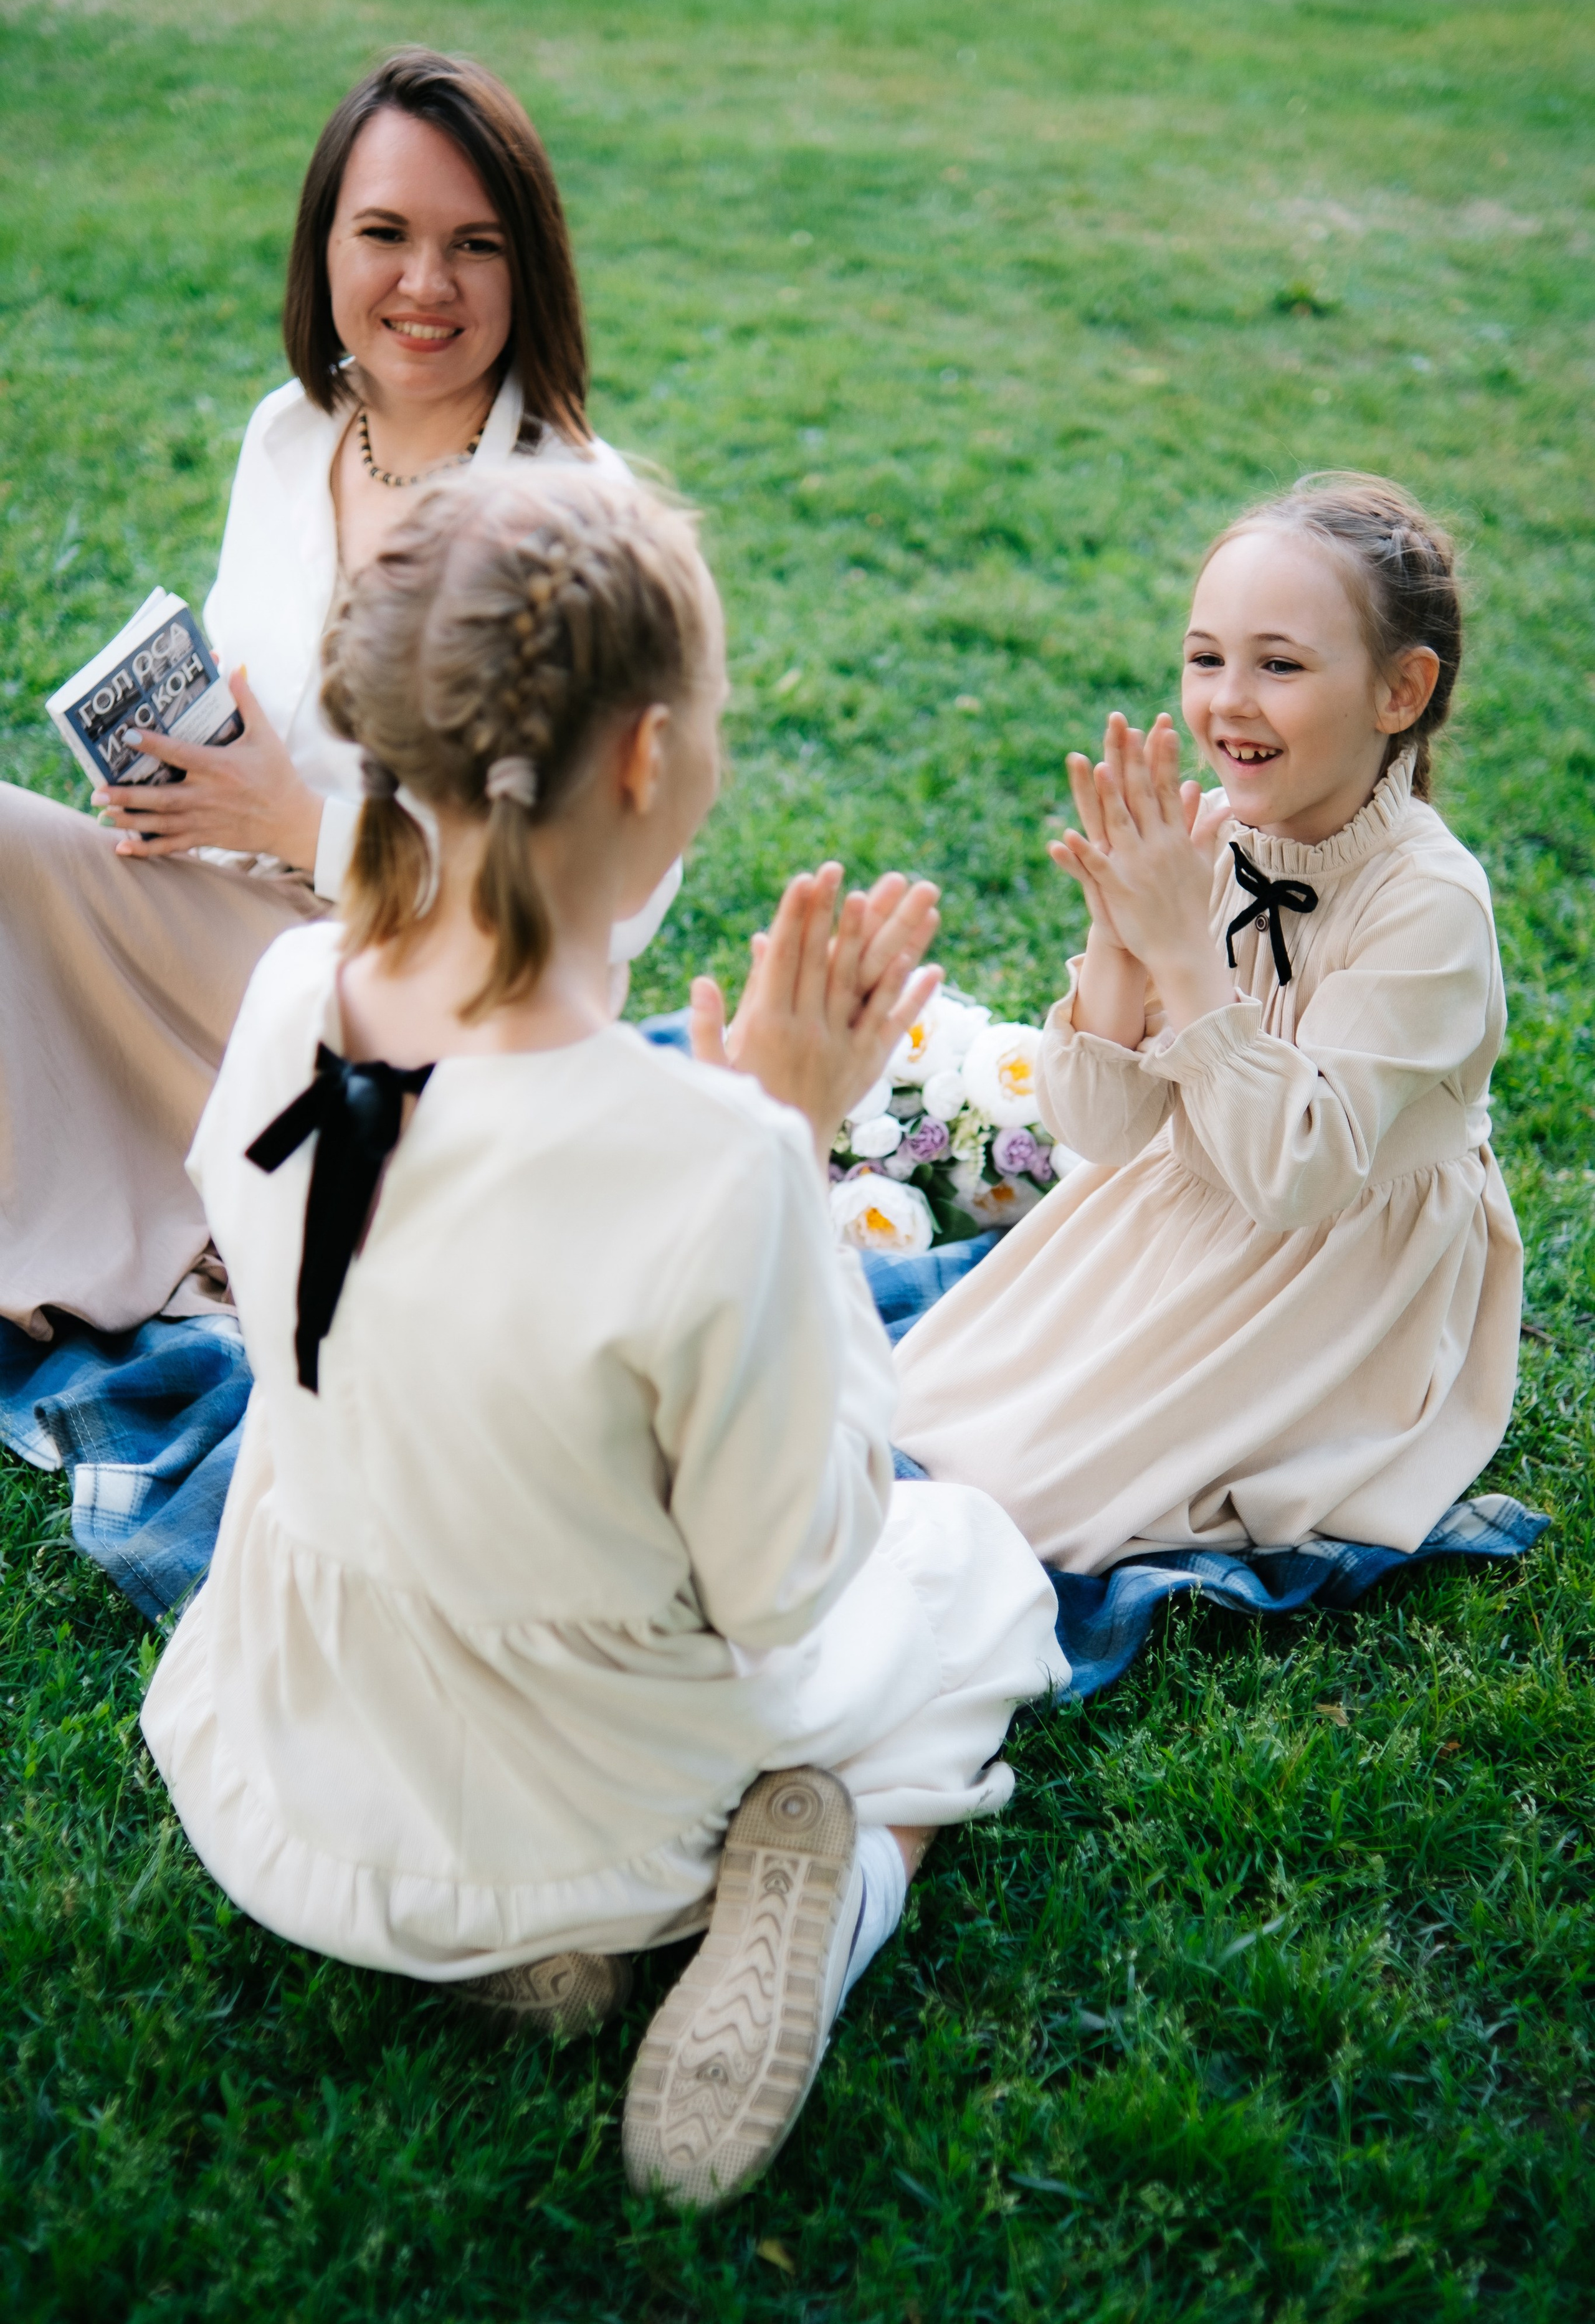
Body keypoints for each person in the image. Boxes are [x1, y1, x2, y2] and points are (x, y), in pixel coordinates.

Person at [139, 467, 1065, 2212]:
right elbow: (784, 1579)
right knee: (976, 1571)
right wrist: (785, 1146)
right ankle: (827, 1881)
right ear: (645, 761)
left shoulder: (289, 997)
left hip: (309, 1738)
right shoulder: (711, 1171)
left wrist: (735, 1151)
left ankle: (522, 1953)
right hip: (594, 1767)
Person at [0, 48, 660, 1340]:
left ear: (529, 269)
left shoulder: (583, 515)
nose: (424, 285)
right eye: (385, 234)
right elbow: (268, 716)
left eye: (474, 244)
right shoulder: (292, 433)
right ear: (324, 249)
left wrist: (302, 829)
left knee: (304, 972)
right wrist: (179, 788)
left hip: (446, 1003)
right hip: (239, 932)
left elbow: (612, 896)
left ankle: (256, 1203)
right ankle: (162, 1192)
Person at [893, 473, 1522, 1573]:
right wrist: (1119, 939)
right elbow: (1103, 1131)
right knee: (919, 1403)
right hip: (1177, 1204)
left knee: (1031, 1497)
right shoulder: (1221, 837)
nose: (1229, 699)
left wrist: (1187, 954)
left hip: (1331, 1267)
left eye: (1279, 665)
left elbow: (1299, 1179)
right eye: (1206, 657)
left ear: (1400, 691)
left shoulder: (1430, 905)